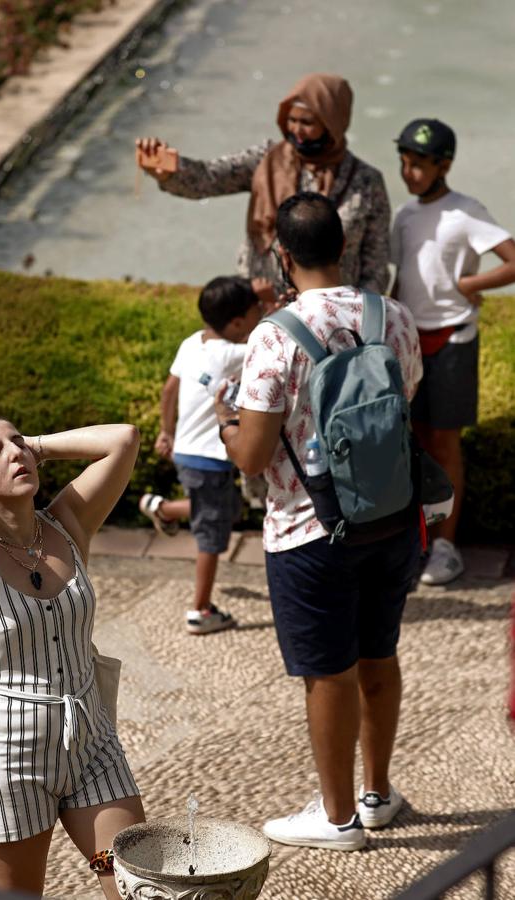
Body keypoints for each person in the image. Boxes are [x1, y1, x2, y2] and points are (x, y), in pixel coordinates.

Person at [215, 192, 422, 850]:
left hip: (309, 530)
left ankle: (336, 821)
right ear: (345, 246)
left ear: (281, 255)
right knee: (378, 654)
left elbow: (251, 457)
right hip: (392, 516)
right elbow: (404, 396)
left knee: (327, 673)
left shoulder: (275, 334)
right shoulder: (392, 315)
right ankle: (377, 794)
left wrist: (226, 431)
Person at [0, 419, 145, 898]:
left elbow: (123, 439)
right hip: (9, 759)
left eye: (18, 442)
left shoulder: (68, 523)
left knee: (135, 886)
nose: (15, 454)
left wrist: (36, 447)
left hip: (92, 745)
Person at [392, 118, 515, 585]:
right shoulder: (404, 214)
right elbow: (400, 277)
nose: (409, 172)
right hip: (409, 342)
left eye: (419, 164)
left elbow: (512, 259)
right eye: (404, 163)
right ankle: (418, 538)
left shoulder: (466, 211)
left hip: (452, 339)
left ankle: (447, 547)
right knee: (413, 444)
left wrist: (471, 283)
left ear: (444, 164)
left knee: (445, 444)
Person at [136, 72, 390, 296]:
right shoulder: (266, 160)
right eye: (292, 120)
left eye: (307, 123)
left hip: (331, 318)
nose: (297, 130)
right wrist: (167, 170)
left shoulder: (366, 181)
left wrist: (357, 314)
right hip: (261, 310)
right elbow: (208, 178)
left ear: (333, 123)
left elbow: (375, 264)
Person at [139, 276, 262, 635]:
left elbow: (168, 390)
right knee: (210, 536)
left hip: (187, 453)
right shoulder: (233, 353)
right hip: (209, 458)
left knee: (224, 509)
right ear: (238, 322)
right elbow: (278, 340)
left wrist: (167, 432)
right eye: (256, 311)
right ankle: (200, 610)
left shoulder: (193, 341)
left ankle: (162, 508)